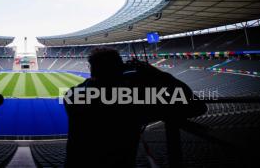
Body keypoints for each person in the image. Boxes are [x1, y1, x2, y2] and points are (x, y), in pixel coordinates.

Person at [64, 47, 207, 167]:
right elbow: (197, 106)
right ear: (120, 68)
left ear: (91, 68)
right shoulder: (137, 99)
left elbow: (93, 87)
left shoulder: (72, 96)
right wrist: (156, 74)